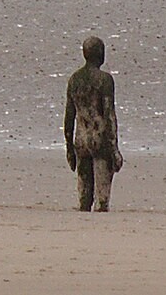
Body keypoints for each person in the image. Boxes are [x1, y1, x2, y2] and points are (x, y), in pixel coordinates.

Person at [62, 35, 121, 211]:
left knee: (84, 198)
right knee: (102, 199)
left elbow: (69, 116)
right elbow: (109, 115)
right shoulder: (105, 80)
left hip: (81, 139)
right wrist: (114, 148)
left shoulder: (75, 79)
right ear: (100, 54)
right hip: (100, 139)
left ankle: (84, 220)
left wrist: (69, 147)